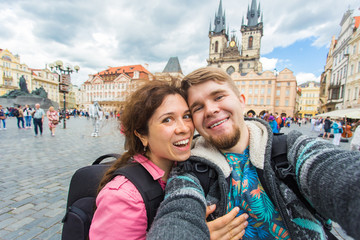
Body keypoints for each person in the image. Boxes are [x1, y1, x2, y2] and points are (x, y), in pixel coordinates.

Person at [147, 67, 360, 240]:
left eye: (218, 96)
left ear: (241, 101)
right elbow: (178, 216)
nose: (211, 110)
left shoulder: (290, 150)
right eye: (198, 107)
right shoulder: (190, 170)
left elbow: (338, 173)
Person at [90, 81, 197, 239]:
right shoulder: (123, 197)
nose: (184, 128)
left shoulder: (188, 169)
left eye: (186, 116)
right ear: (142, 135)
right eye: (167, 119)